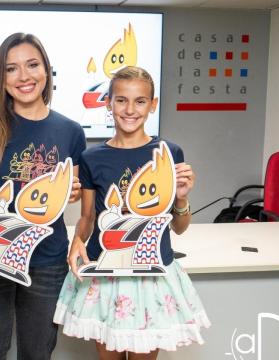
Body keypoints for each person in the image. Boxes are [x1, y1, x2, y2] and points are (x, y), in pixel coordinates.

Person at [54, 66, 210, 360]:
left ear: (153, 105)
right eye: (121, 100)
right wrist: (77, 240)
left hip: (151, 276)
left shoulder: (168, 152)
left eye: (140, 101)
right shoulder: (91, 157)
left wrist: (182, 199)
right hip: (105, 274)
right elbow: (88, 218)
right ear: (108, 103)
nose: (129, 109)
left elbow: (179, 227)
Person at [0, 33, 86, 359]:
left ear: (47, 70)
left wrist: (73, 193)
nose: (24, 77)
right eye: (11, 69)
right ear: (1, 78)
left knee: (37, 353)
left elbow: (72, 191)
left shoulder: (71, 131)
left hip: (47, 260)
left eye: (32, 65)